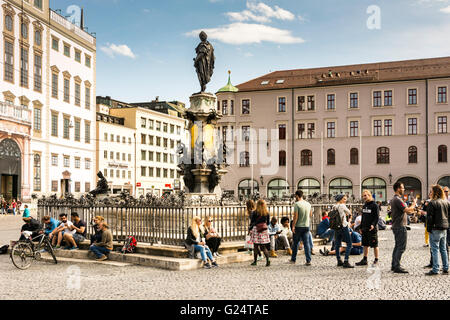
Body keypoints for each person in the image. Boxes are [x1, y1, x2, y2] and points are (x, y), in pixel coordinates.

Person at [390, 182, 417, 274]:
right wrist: (414, 204)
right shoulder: (397, 200)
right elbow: (407, 210)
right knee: (401, 247)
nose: (404, 189)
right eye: (402, 188)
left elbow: (407, 212)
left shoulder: (395, 199)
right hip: (400, 226)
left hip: (397, 226)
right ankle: (396, 266)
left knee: (397, 246)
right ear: (398, 189)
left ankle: (394, 265)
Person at [425, 185, 449, 276]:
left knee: (435, 249)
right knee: (443, 249)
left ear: (435, 192)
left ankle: (435, 269)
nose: (430, 193)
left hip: (435, 228)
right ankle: (446, 268)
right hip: (444, 228)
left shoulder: (432, 203)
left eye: (431, 191)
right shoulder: (446, 202)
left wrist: (429, 229)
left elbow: (430, 218)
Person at [356, 190, 380, 266]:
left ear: (369, 195)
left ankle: (376, 259)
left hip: (372, 228)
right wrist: (361, 227)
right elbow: (363, 217)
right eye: (363, 196)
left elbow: (376, 217)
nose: (364, 197)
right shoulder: (365, 205)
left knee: (374, 245)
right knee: (365, 244)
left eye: (365, 195)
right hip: (365, 228)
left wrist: (373, 225)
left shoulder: (374, 205)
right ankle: (365, 259)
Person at [289, 190, 312, 266]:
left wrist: (293, 226)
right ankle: (308, 260)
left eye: (295, 196)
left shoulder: (297, 204)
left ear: (297, 196)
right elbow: (310, 215)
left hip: (299, 226)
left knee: (295, 243)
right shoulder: (308, 204)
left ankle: (293, 259)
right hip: (306, 226)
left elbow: (295, 216)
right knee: (307, 244)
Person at [333, 194, 354, 268]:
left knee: (337, 244)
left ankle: (339, 260)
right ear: (341, 199)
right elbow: (349, 213)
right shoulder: (342, 205)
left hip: (336, 227)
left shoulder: (334, 206)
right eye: (344, 199)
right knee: (349, 243)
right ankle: (346, 261)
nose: (345, 200)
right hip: (343, 226)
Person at [249, 199, 271, 266]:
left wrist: (250, 229)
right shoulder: (266, 213)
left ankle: (255, 261)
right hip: (263, 230)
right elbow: (268, 222)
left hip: (256, 229)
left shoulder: (255, 212)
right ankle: (268, 259)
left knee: (255, 246)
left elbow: (252, 222)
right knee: (263, 247)